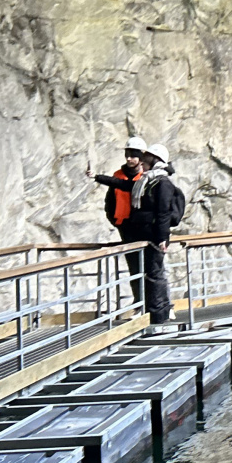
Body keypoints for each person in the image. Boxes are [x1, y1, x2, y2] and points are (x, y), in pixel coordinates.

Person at [92, 139, 177, 326]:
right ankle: (149, 309)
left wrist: (163, 237)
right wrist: (97, 177)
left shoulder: (160, 183)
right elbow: (121, 186)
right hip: (136, 231)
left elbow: (163, 212)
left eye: (144, 159)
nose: (140, 162)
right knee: (142, 270)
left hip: (153, 235)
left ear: (155, 161)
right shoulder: (146, 180)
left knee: (155, 273)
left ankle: (161, 311)